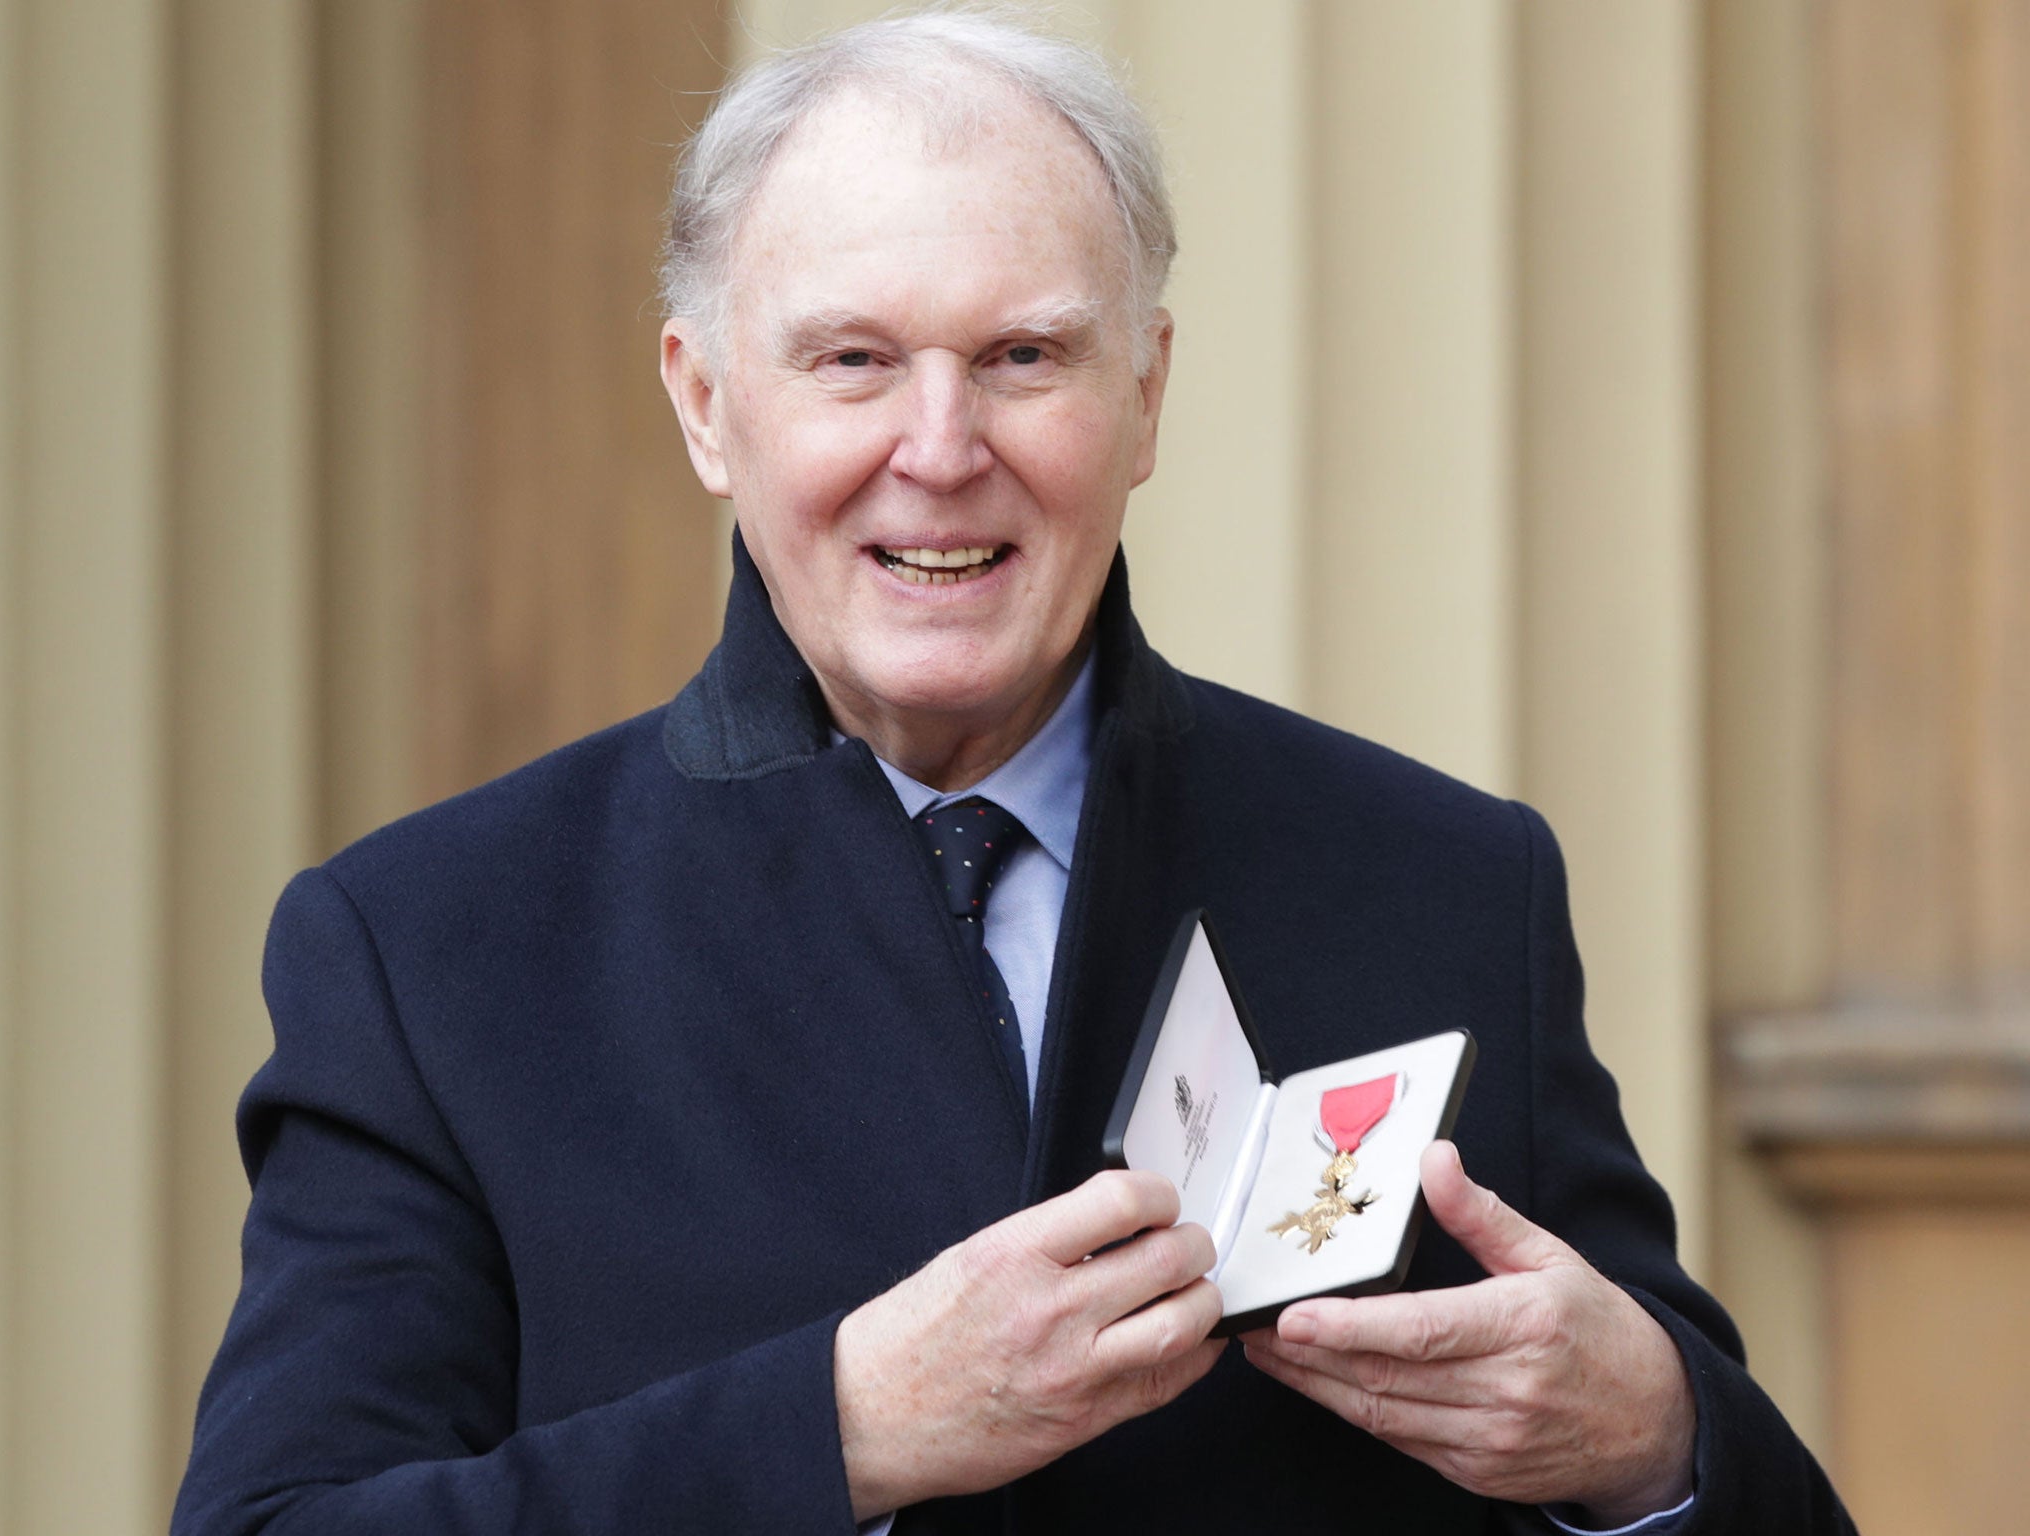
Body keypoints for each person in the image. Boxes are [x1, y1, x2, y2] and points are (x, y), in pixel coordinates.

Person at [173, 11, 1853, 1535]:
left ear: (1145, 396)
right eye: (850, 360)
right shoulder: (431, 949)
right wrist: (838, 1429)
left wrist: (1652, 1447)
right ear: (705, 406)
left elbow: (1746, 1498)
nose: (940, 447)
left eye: (1022, 357)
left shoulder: (1444, 883)